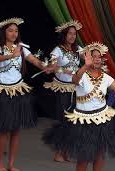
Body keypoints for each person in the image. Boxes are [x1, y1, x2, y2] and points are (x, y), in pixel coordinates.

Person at [43, 42, 115, 171]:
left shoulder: (105, 77)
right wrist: (85, 65)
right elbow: (74, 80)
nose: (97, 59)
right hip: (83, 120)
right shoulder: (82, 75)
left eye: (99, 57)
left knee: (99, 153)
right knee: (84, 155)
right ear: (88, 58)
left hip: (101, 119)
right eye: (94, 56)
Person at [0, 17, 54, 171]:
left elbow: (35, 61)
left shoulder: (21, 48)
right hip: (2, 92)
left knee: (15, 130)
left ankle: (11, 163)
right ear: (4, 32)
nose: (14, 33)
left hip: (18, 91)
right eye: (10, 30)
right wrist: (11, 56)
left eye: (16, 31)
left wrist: (45, 66)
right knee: (2, 130)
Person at [42, 19, 82, 162]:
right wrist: (51, 67)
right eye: (69, 33)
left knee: (72, 121)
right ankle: (58, 152)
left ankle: (66, 151)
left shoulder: (77, 50)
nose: (72, 36)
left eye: (74, 34)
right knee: (62, 119)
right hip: (62, 89)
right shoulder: (57, 50)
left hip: (75, 89)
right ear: (64, 35)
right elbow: (53, 65)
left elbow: (89, 58)